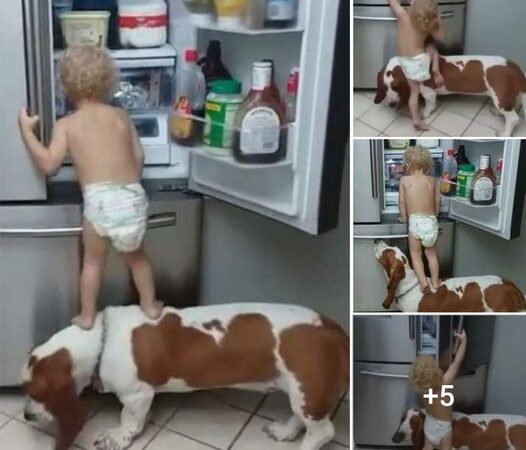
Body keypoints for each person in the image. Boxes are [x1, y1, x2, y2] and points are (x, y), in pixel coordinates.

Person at [18, 46, 163, 329]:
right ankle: (150, 306)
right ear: (108, 81)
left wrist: (26, 132)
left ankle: (86, 316)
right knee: (137, 259)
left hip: (99, 201)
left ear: (65, 87)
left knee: (93, 263)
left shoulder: (67, 124)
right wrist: (127, 187)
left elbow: (49, 165)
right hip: (131, 196)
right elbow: (139, 157)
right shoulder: (121, 117)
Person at [387, 0, 445, 130]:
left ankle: (416, 120)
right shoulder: (426, 25)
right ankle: (435, 70)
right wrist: (437, 18)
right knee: (432, 48)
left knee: (414, 91)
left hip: (404, 62)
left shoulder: (402, 15)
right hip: (419, 63)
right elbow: (442, 36)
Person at [410, 330, 467, 450]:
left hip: (429, 424)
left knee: (427, 447)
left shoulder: (422, 391)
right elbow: (456, 362)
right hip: (444, 428)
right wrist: (463, 341)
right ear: (436, 371)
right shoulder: (445, 383)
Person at [399, 147, 440, 293]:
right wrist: (434, 216)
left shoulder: (404, 180)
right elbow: (437, 201)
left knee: (416, 255)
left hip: (415, 222)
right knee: (432, 255)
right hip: (430, 221)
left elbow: (402, 203)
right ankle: (435, 282)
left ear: (408, 165)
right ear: (427, 165)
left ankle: (423, 283)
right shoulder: (432, 180)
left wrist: (404, 219)